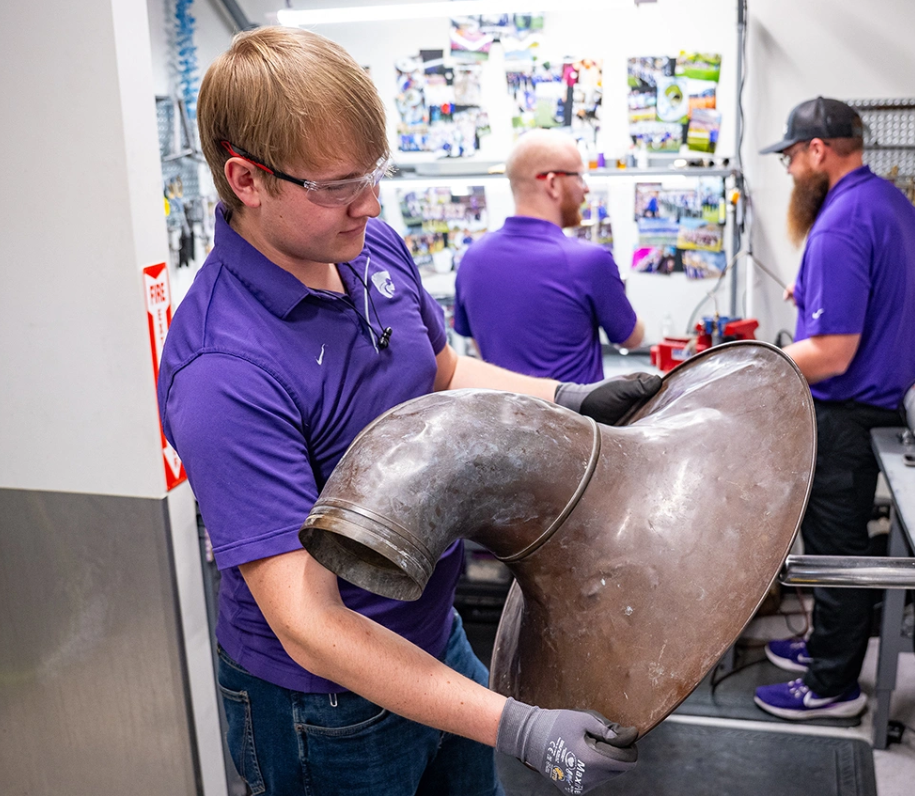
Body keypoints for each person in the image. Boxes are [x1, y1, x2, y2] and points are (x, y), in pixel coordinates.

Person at [157, 27, 658, 796]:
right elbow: (310, 625)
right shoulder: (223, 368)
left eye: (374, 174)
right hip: (320, 702)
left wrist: (569, 401)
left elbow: (442, 369)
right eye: (338, 185)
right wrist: (516, 724)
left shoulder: (367, 244)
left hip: (431, 637)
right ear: (246, 179)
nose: (372, 202)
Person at [753, 96, 915, 720]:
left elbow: (832, 354)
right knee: (847, 545)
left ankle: (832, 686)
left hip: (846, 415)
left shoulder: (837, 222)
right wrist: (816, 289)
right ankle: (822, 646)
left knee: (838, 554)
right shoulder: (895, 206)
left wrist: (752, 369)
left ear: (816, 151)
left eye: (789, 157)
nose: (787, 171)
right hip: (890, 412)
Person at [453, 130, 645, 383]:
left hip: (500, 419)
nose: (585, 189)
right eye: (580, 177)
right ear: (552, 183)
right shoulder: (590, 261)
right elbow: (631, 339)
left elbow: (478, 344)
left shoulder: (472, 259)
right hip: (575, 421)